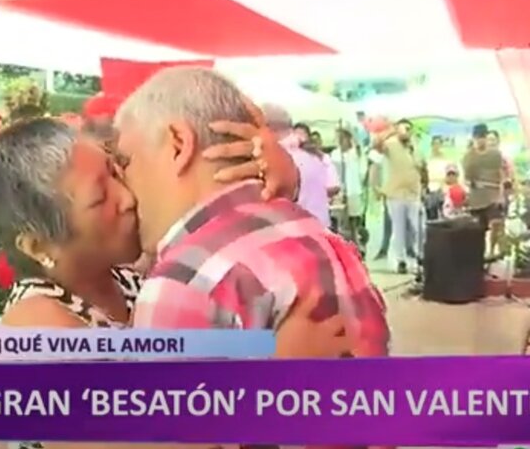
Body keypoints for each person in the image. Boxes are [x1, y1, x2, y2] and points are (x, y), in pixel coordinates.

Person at [0, 118, 354, 449]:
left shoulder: (128, 275)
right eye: (100, 198)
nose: (127, 198)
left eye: (116, 171)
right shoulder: (34, 325)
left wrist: (276, 183)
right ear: (39, 246)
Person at [115, 67, 388, 359]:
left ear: (179, 145)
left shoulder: (186, 280)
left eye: (125, 161)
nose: (122, 184)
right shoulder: (324, 240)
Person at [261, 104, 333, 227]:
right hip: (322, 229)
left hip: (298, 231)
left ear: (267, 128)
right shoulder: (312, 155)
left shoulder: (280, 159)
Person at [373, 118, 423, 274]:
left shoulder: (415, 146)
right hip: (395, 194)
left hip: (413, 193)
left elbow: (421, 166)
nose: (406, 131)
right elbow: (376, 145)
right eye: (404, 128)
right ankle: (401, 260)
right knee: (398, 228)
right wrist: (391, 131)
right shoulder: (391, 144)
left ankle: (419, 257)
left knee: (418, 227)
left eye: (409, 129)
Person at [463, 123, 504, 256]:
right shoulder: (469, 156)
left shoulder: (495, 155)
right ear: (474, 138)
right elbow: (467, 179)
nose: (481, 140)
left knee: (496, 223)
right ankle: (479, 255)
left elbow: (501, 174)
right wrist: (474, 184)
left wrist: (501, 194)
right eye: (478, 137)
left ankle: (491, 251)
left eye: (483, 137)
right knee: (478, 230)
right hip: (477, 198)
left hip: (493, 195)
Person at [330, 127, 368, 252]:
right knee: (341, 221)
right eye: (339, 138)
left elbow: (362, 172)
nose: (341, 141)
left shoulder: (356, 153)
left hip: (354, 190)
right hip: (340, 192)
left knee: (354, 219)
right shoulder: (335, 154)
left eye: (343, 138)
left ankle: (356, 243)